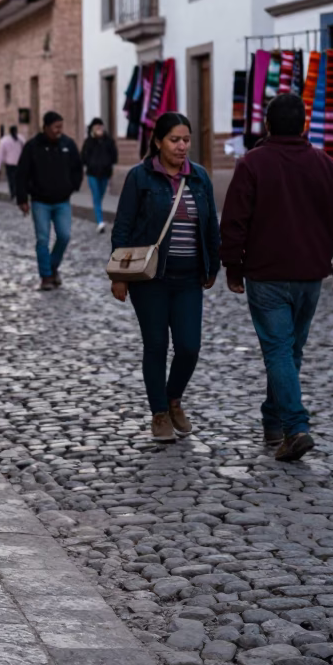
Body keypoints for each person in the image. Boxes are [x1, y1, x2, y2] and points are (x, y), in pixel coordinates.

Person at [220, 92, 333, 462]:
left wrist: (233, 266)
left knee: (280, 351)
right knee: (288, 351)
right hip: (310, 276)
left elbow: (234, 221)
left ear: (267, 125)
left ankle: (295, 426)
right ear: (303, 125)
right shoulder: (326, 165)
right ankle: (273, 421)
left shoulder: (252, 164)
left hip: (266, 276)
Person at [111, 111, 220, 443]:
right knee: (156, 345)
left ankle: (174, 399)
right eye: (175, 140)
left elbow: (210, 225)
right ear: (158, 141)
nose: (182, 146)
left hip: (189, 279)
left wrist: (212, 266)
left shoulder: (199, 178)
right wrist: (119, 276)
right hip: (150, 279)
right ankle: (159, 412)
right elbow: (123, 226)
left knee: (189, 347)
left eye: (186, 139)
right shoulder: (140, 178)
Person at [16, 111, 82, 290]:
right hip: (40, 202)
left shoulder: (68, 144)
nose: (59, 130)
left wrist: (72, 185)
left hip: (62, 201)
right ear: (45, 128)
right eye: (56, 127)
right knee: (42, 239)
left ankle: (52, 267)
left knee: (64, 235)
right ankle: (46, 277)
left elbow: (77, 167)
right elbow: (22, 173)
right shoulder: (32, 147)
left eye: (61, 127)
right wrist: (22, 198)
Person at [81, 117, 118, 232]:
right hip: (92, 174)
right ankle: (100, 222)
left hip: (105, 174)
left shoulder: (109, 140)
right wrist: (89, 164)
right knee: (96, 197)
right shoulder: (88, 141)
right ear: (92, 129)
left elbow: (114, 155)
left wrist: (109, 164)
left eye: (100, 126)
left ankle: (98, 215)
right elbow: (83, 156)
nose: (99, 129)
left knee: (100, 195)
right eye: (97, 127)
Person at [0, 125, 24, 200]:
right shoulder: (21, 139)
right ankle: (17, 192)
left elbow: (0, 154)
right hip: (18, 163)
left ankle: (13, 193)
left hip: (9, 163)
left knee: (11, 179)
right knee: (18, 179)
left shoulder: (4, 140)